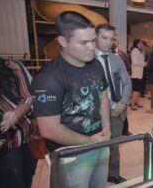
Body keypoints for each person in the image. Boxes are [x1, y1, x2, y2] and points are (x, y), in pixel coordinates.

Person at [32, 11, 111, 188]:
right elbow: (49, 130)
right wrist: (91, 141)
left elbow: (103, 96)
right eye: (84, 42)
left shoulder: (95, 64)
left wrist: (106, 127)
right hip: (72, 153)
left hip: (100, 143)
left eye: (93, 40)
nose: (92, 47)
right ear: (63, 41)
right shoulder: (49, 78)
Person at [94, 24, 131, 184]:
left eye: (111, 39)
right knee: (97, 148)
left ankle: (113, 174)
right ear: (95, 37)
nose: (108, 42)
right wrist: (112, 105)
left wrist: (122, 102)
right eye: (104, 38)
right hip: (96, 113)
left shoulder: (117, 59)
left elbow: (127, 82)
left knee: (114, 146)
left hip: (118, 109)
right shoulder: (88, 60)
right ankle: (96, 178)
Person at [0, 57, 37, 188]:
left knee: (33, 181)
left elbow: (30, 97)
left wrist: (15, 114)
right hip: (5, 149)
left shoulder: (12, 66)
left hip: (28, 140)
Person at [129, 39, 146, 110]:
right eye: (139, 43)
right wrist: (144, 64)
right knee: (136, 91)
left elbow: (140, 60)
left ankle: (136, 103)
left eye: (141, 43)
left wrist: (143, 51)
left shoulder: (138, 51)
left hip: (139, 74)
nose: (141, 45)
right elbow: (135, 62)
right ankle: (132, 105)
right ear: (136, 44)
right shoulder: (135, 51)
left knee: (138, 90)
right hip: (136, 74)